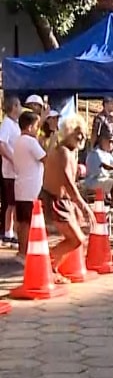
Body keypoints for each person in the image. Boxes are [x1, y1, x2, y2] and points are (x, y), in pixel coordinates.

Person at [41, 115, 95, 284]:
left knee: (77, 239)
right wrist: (83, 205)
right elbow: (67, 181)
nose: (81, 137)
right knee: (77, 239)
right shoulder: (63, 150)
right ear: (69, 132)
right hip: (55, 201)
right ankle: (45, 263)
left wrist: (76, 205)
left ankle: (52, 268)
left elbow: (69, 183)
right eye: (77, 133)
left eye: (83, 134)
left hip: (63, 201)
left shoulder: (70, 150)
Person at [12, 111, 46, 263]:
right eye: (37, 126)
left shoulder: (19, 141)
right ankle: (25, 252)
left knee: (23, 222)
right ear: (31, 126)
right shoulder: (30, 142)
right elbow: (45, 157)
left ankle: (22, 251)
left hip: (21, 186)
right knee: (27, 222)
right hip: (30, 189)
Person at [0, 95, 22, 246]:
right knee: (11, 203)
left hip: (16, 170)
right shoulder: (7, 124)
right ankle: (8, 233)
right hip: (9, 171)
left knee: (14, 202)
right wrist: (13, 159)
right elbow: (1, 144)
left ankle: (11, 231)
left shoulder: (15, 124)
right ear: (13, 107)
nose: (20, 108)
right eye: (19, 105)